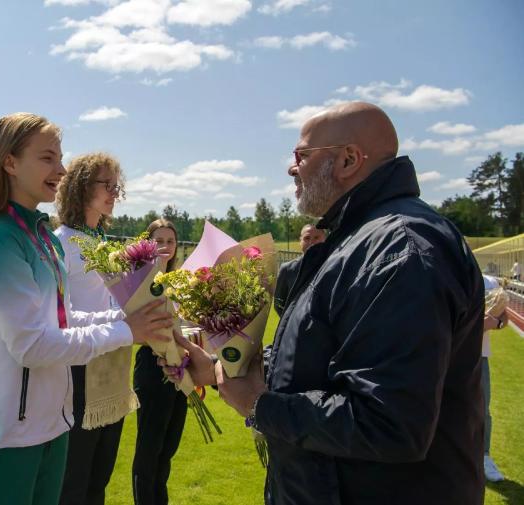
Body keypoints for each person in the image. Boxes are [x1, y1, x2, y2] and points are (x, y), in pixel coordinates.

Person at [167, 102, 485, 505]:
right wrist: (219, 369)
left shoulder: (401, 250)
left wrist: (259, 405)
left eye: (301, 155)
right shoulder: (356, 238)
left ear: (348, 159)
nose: (292, 168)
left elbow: (388, 421)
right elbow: (320, 359)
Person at [0, 113, 172, 505]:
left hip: (53, 426)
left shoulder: (42, 238)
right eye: (47, 158)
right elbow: (33, 346)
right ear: (9, 162)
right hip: (6, 438)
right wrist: (127, 330)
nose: (60, 170)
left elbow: (62, 319)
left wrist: (127, 319)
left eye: (60, 158)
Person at [55, 153, 137, 505]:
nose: (114, 193)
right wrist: (120, 323)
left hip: (111, 368)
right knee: (74, 478)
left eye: (117, 186)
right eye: (107, 185)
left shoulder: (105, 244)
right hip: (77, 367)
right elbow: (60, 315)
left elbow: (113, 301)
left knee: (99, 478)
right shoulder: (61, 242)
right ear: (80, 186)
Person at [132, 218, 187, 505]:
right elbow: (134, 329)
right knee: (149, 450)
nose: (166, 246)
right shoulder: (139, 283)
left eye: (170, 241)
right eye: (159, 241)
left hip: (181, 370)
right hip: (152, 367)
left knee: (167, 449)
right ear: (148, 244)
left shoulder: (180, 282)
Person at [482, 274, 508, 482]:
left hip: (478, 355)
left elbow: (504, 318)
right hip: (445, 352)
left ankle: (484, 456)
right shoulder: (441, 274)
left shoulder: (488, 282)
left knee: (482, 408)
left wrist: (495, 323)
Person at [272, 222, 324, 317]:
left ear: (325, 240)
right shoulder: (287, 269)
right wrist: (292, 322)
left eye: (316, 237)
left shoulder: (333, 266)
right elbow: (278, 304)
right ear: (300, 241)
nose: (311, 242)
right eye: (307, 238)